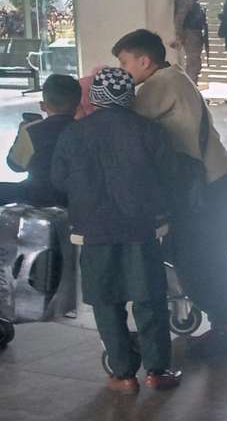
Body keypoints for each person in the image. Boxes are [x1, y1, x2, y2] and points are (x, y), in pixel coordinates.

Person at [113, 29, 227, 357]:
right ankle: (224, 322)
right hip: (211, 173)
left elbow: (124, 122)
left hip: (200, 182)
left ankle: (226, 326)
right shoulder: (175, 76)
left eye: (124, 63)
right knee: (209, 253)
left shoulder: (158, 86)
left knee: (199, 255)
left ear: (144, 61)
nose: (122, 70)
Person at [49, 68, 182, 393]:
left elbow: (59, 180)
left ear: (94, 97)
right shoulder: (150, 131)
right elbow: (170, 176)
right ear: (129, 97)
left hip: (94, 230)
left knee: (106, 300)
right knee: (149, 297)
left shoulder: (74, 133)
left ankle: (123, 375)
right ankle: (158, 371)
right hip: (141, 229)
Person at [1, 74, 80, 206]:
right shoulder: (85, 130)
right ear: (77, 106)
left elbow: (15, 166)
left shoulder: (31, 130)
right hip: (74, 197)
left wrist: (20, 133)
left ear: (43, 105)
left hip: (37, 197)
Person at [172, 0, 209, 86]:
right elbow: (179, 20)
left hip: (194, 34)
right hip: (190, 35)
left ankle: (192, 88)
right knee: (193, 65)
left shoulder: (191, 0)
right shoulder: (186, 0)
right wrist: (180, 36)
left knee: (195, 64)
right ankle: (191, 90)